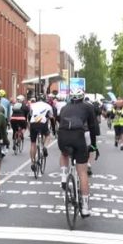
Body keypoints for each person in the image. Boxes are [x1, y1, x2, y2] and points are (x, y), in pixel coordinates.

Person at [57, 87, 99, 217]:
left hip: (63, 136)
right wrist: (93, 145)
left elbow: (59, 122)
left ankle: (64, 176)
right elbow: (92, 127)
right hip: (78, 136)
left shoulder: (64, 108)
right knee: (82, 172)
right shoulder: (88, 107)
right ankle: (85, 207)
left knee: (64, 153)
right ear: (83, 97)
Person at [28, 94, 53, 173]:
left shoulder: (32, 105)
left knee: (33, 143)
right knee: (48, 135)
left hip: (33, 122)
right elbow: (51, 117)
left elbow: (30, 115)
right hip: (42, 122)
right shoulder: (48, 106)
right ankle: (45, 147)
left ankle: (32, 162)